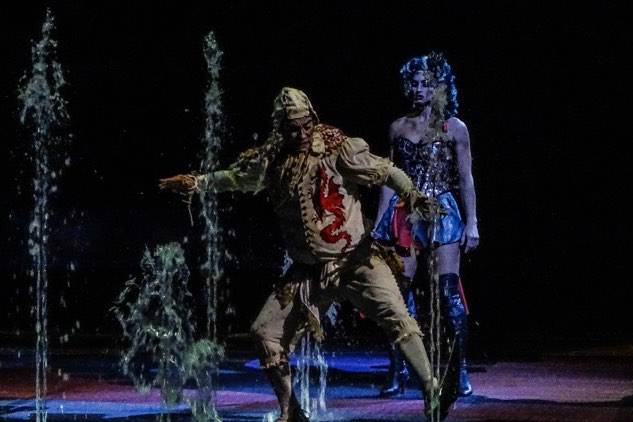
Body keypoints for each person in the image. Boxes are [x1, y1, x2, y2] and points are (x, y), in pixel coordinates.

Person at [160, 87, 455, 421]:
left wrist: (412, 195)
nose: (300, 133)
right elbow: (235, 178)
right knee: (265, 333)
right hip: (307, 273)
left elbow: (386, 171)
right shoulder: (272, 162)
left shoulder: (337, 149)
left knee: (398, 318)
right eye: (291, 128)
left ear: (312, 119)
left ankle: (432, 390)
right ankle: (291, 411)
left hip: (355, 261)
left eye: (304, 125)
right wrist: (198, 183)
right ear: (280, 129)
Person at [373, 52, 479, 398]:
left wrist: (473, 222)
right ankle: (398, 368)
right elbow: (389, 180)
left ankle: (459, 368)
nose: (418, 89)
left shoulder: (455, 128)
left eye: (425, 84)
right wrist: (379, 226)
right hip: (406, 213)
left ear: (439, 87)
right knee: (398, 296)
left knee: (448, 296)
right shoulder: (398, 127)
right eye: (414, 84)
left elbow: (465, 178)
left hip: (443, 212)